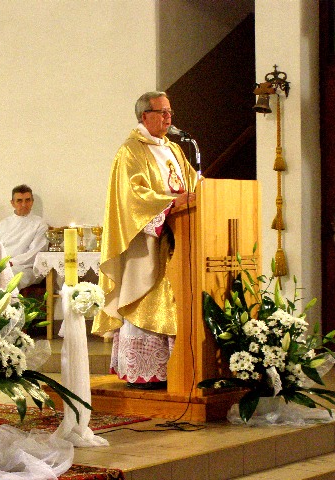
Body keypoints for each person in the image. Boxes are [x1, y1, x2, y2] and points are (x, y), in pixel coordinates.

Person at [91, 91, 198, 389]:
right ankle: (144, 374)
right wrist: (170, 204)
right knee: (146, 300)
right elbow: (132, 196)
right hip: (146, 244)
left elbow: (193, 184)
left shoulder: (175, 150)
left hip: (178, 241)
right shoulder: (130, 151)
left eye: (169, 111)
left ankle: (176, 369)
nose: (168, 117)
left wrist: (202, 193)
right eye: (161, 112)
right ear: (143, 116)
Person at [0, 185, 48, 289]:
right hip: (2, 265)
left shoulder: (40, 223)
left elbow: (36, 252)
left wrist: (11, 262)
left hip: (27, 267)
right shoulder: (4, 223)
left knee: (7, 277)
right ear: (12, 203)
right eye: (19, 201)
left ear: (32, 202)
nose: (24, 204)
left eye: (27, 200)